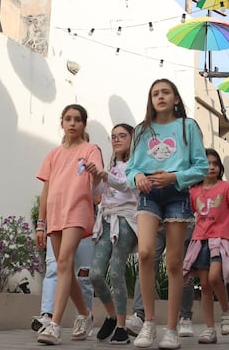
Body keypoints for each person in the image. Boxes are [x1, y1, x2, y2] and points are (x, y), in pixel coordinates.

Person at [126, 79, 208, 350]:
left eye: (165, 92)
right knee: (146, 252)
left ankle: (171, 328)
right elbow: (131, 169)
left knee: (174, 262)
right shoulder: (141, 130)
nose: (160, 97)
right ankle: (149, 323)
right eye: (155, 93)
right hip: (149, 193)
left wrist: (175, 176)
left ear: (175, 98)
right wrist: (138, 175)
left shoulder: (188, 127)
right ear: (150, 100)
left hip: (177, 193)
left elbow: (201, 167)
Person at [35, 104, 104, 346]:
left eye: (77, 119)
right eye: (68, 119)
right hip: (55, 214)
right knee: (66, 269)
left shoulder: (90, 149)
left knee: (63, 262)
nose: (72, 123)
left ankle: (54, 325)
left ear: (84, 124)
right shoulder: (53, 154)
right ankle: (85, 315)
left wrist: (94, 173)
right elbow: (45, 190)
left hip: (78, 211)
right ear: (62, 123)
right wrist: (40, 224)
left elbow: (98, 178)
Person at [182, 149, 229, 344]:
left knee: (214, 277)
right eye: (207, 163)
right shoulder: (193, 191)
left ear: (219, 167)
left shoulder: (227, 187)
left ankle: (226, 311)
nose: (211, 167)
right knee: (205, 286)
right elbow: (185, 216)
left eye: (215, 163)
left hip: (220, 239)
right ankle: (210, 329)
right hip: (199, 241)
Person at [89, 123, 140, 345]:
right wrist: (96, 179)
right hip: (106, 219)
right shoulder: (112, 166)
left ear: (132, 139)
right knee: (95, 274)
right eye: (113, 137)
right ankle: (111, 315)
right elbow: (96, 196)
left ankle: (121, 325)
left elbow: (127, 186)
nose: (117, 140)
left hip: (126, 220)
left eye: (122, 136)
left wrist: (105, 175)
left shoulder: (136, 164)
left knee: (117, 272)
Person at [30, 239, 95, 336]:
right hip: (57, 226)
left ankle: (83, 318)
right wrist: (41, 226)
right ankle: (47, 316)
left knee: (83, 274)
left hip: (85, 230)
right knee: (53, 267)